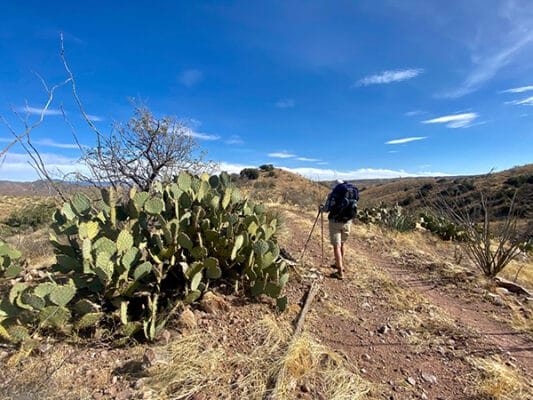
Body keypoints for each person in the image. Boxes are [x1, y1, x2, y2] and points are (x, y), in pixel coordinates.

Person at [321, 179, 358, 279]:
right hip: (347, 222)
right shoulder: (351, 192)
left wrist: (321, 208)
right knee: (342, 244)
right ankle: (339, 264)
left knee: (336, 246)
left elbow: (327, 208)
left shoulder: (334, 194)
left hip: (335, 222)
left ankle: (340, 271)